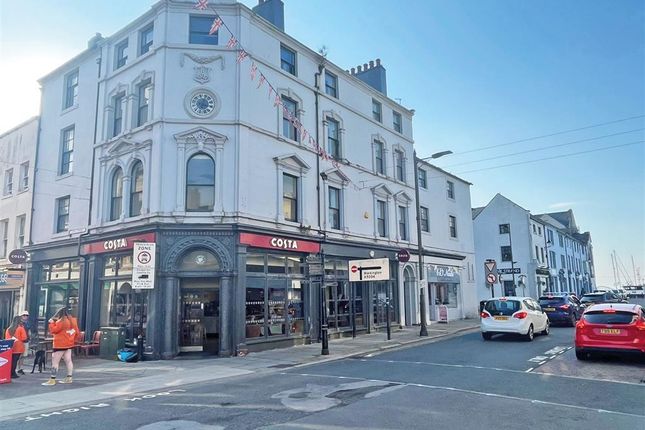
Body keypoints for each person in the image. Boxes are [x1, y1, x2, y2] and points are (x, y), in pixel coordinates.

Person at [42, 307, 80, 386]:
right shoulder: (73, 321)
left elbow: (54, 330)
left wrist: (51, 323)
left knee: (55, 362)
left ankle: (52, 379)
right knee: (68, 361)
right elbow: (77, 333)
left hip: (59, 344)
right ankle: (69, 377)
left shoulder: (61, 321)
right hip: (69, 344)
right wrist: (72, 340)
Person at [18, 310, 32, 375]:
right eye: (24, 315)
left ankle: (20, 368)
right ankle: (17, 368)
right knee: (18, 355)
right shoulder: (18, 323)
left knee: (23, 355)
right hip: (19, 341)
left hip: (26, 340)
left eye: (26, 315)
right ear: (21, 316)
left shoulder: (28, 323)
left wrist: (30, 337)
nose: (25, 316)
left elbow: (29, 331)